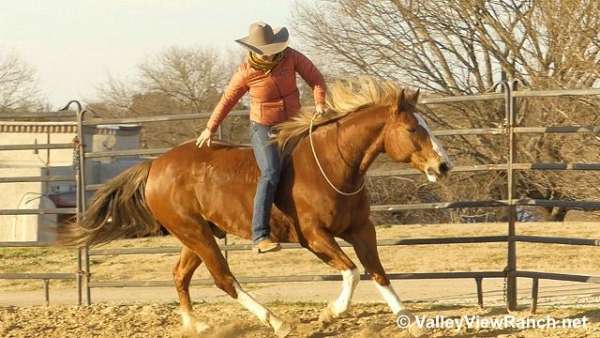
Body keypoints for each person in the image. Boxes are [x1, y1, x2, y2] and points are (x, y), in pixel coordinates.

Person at [196, 21, 327, 253]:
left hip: (294, 123)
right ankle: (260, 235)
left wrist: (319, 103)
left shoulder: (291, 57)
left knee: (317, 158)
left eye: (272, 50)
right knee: (270, 172)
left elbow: (315, 77)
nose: (270, 56)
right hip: (264, 127)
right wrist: (210, 127)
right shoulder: (246, 71)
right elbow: (228, 100)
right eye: (265, 52)